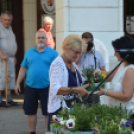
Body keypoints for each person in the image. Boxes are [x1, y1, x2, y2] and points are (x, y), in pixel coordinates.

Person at [15, 31, 58, 134]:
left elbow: (58, 70)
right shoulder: (29, 52)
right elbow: (23, 68)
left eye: (43, 38)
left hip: (47, 87)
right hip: (30, 86)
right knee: (30, 112)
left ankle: (48, 132)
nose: (40, 39)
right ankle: (32, 132)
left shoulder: (53, 53)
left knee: (48, 112)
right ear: (35, 39)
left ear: (46, 40)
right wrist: (17, 83)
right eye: (38, 38)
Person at [47, 34, 89, 131]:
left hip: (71, 109)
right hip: (59, 112)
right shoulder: (58, 64)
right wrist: (76, 90)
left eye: (80, 53)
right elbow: (55, 89)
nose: (78, 56)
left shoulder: (72, 63)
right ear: (66, 48)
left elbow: (77, 83)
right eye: (76, 52)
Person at [94, 36, 134, 130]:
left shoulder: (130, 70)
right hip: (115, 114)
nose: (114, 54)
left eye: (116, 51)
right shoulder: (122, 65)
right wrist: (98, 73)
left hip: (126, 117)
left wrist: (105, 92)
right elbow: (109, 76)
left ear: (123, 52)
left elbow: (126, 96)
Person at [75, 32, 106, 104]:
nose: (87, 44)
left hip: (94, 86)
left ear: (92, 41)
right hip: (81, 85)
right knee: (81, 108)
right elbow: (74, 63)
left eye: (89, 42)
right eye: (85, 42)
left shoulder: (98, 54)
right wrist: (82, 50)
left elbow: (104, 71)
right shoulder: (78, 54)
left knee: (94, 108)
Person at [0, 11, 19, 107]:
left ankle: (9, 99)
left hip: (10, 58)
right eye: (5, 20)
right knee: (2, 79)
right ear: (1, 19)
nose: (7, 22)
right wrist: (2, 54)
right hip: (2, 59)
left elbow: (12, 43)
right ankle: (0, 100)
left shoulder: (10, 28)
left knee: (10, 79)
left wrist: (14, 56)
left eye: (9, 20)